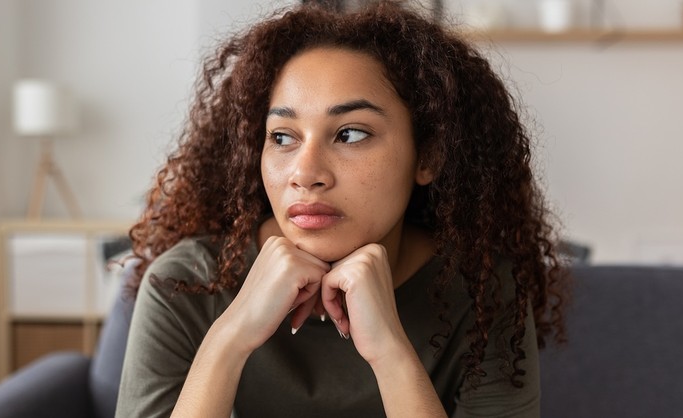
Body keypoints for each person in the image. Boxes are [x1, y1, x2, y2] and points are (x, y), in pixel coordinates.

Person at [116, 2, 568, 417]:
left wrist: (390, 351)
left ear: (428, 156)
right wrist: (229, 338)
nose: (305, 172)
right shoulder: (184, 283)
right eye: (282, 137)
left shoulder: (485, 292)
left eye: (350, 134)